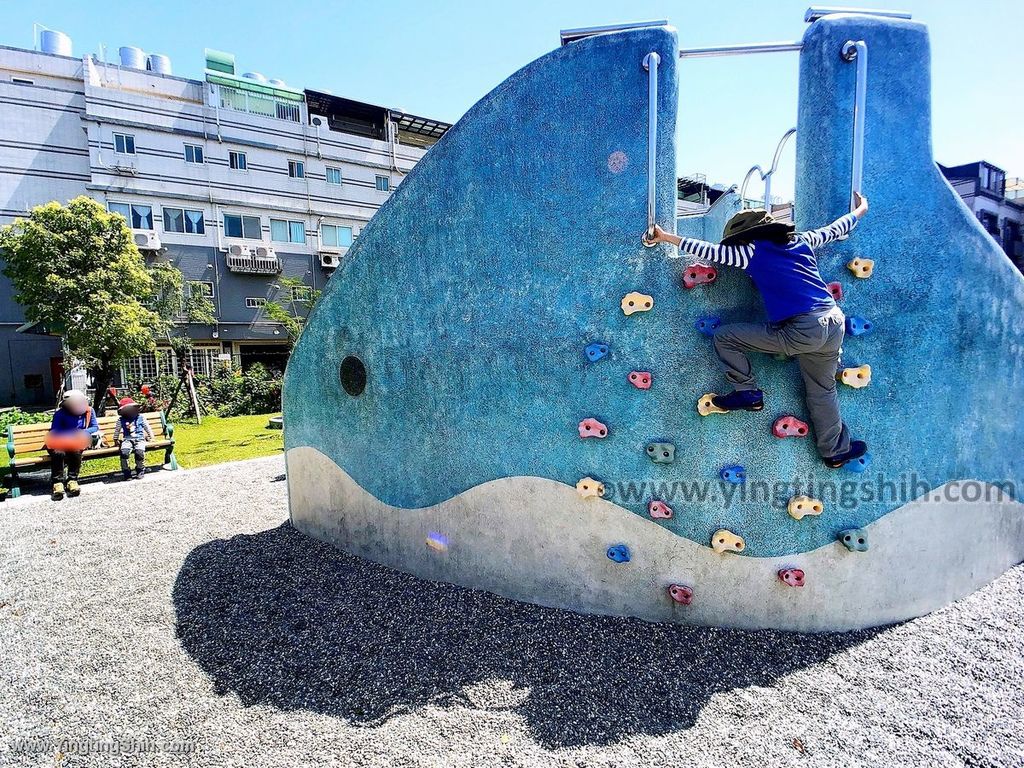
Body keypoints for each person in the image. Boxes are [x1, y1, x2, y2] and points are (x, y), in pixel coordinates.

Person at [645, 192, 871, 468]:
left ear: (743, 236)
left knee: (725, 337)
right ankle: (835, 451)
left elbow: (708, 251)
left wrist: (665, 237)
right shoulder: (802, 240)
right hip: (834, 321)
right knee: (822, 391)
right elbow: (836, 229)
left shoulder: (750, 250)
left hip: (802, 328)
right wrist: (861, 210)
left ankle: (747, 392)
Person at [45, 389, 99, 500]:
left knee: (76, 452)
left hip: (78, 441)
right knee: (58, 453)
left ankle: (72, 480)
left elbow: (94, 427)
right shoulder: (60, 414)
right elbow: (55, 430)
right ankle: (57, 483)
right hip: (59, 442)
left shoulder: (89, 411)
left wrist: (83, 432)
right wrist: (71, 434)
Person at [113, 397, 154, 480]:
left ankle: (140, 469)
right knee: (124, 452)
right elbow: (117, 430)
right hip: (127, 439)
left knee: (139, 452)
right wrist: (115, 439)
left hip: (140, 439)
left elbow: (147, 427)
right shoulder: (121, 420)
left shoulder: (141, 418)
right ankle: (126, 471)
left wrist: (151, 436)